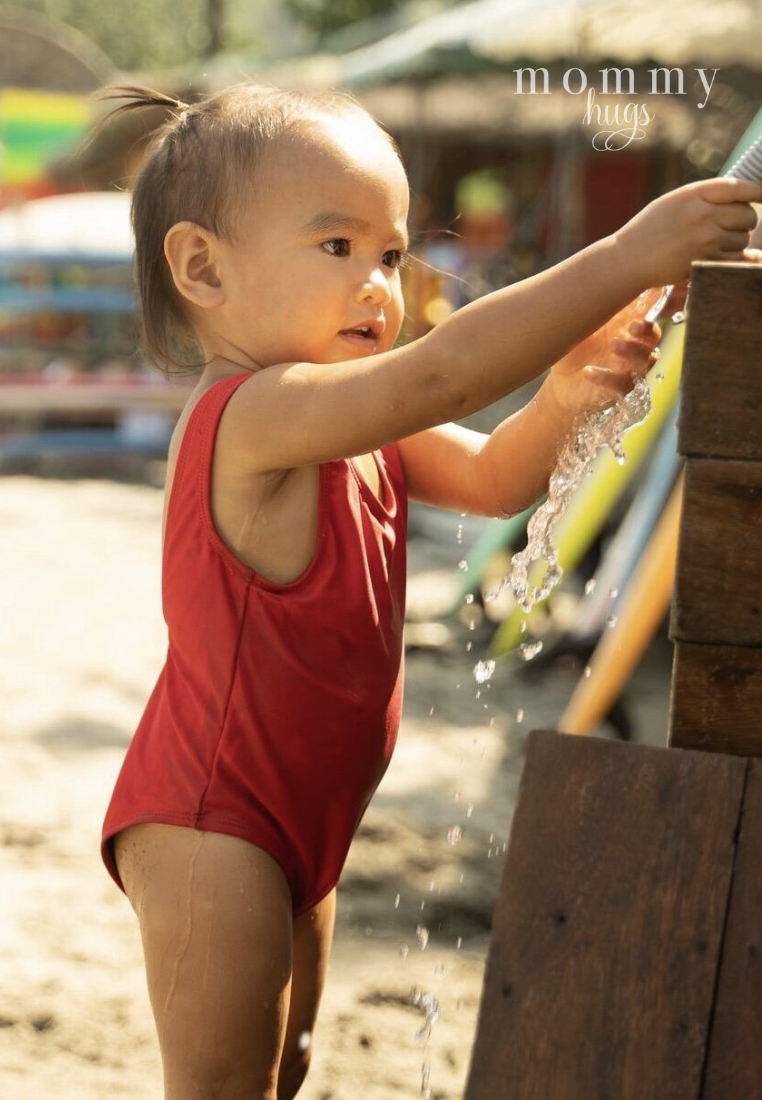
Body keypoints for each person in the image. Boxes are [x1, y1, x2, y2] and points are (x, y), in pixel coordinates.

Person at [99, 83, 761, 1100]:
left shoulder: (358, 420)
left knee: (292, 1062)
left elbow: (500, 474)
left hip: (305, 815)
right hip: (211, 820)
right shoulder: (253, 414)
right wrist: (625, 256)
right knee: (222, 1083)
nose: (377, 286)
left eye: (393, 255)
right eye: (337, 248)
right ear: (204, 267)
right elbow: (441, 376)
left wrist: (570, 387)